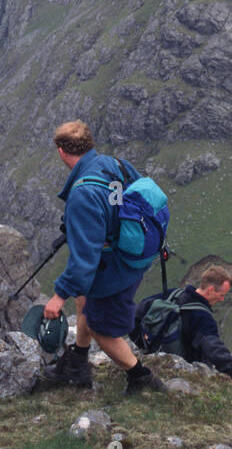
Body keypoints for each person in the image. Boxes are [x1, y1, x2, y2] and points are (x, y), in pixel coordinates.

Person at [41, 121, 164, 395]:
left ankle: (142, 379)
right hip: (132, 253)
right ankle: (77, 363)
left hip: (114, 266)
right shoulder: (113, 164)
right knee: (84, 299)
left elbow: (86, 259)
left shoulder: (83, 193)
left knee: (102, 329)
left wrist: (58, 296)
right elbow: (127, 199)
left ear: (61, 152)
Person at [172, 267, 232, 381]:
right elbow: (212, 345)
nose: (222, 299)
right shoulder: (202, 317)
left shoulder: (172, 295)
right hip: (182, 369)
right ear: (210, 290)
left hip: (154, 354)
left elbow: (141, 310)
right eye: (222, 294)